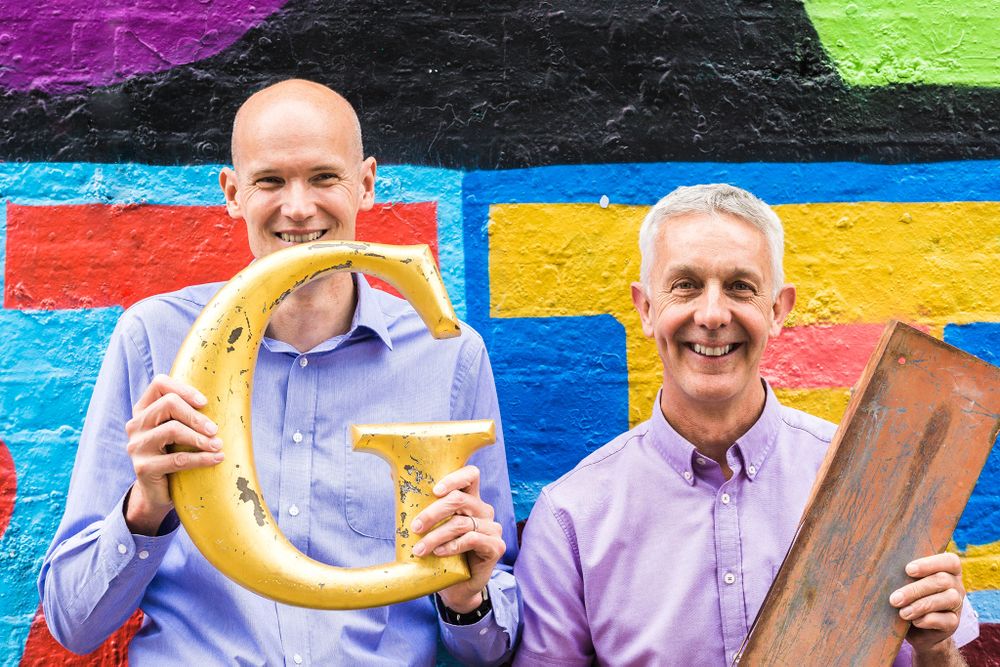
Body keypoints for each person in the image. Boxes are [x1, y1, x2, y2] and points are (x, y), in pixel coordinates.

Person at [38, 79, 519, 666]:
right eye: (270, 181)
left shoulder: (450, 355)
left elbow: (492, 647)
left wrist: (467, 597)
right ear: (232, 192)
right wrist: (146, 506)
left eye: (323, 177)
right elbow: (73, 622)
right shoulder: (154, 340)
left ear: (365, 184)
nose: (298, 207)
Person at [513, 184, 978, 666]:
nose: (713, 315)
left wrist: (936, 648)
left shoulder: (873, 487)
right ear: (647, 309)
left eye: (740, 287)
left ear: (777, 310)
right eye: (685, 285)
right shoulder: (573, 517)